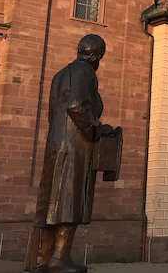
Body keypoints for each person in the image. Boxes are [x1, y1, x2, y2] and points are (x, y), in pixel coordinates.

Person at [32, 34, 115, 273]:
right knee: (70, 200)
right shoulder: (86, 72)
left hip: (56, 142)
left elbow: (54, 112)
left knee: (50, 201)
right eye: (100, 56)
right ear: (96, 56)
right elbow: (77, 106)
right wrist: (98, 129)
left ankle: (42, 259)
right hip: (74, 144)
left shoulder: (60, 74)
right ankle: (59, 259)